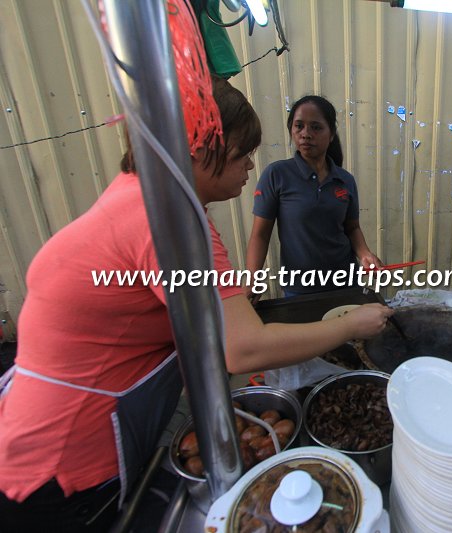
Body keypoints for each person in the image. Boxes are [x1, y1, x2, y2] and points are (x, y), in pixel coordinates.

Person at [0, 79, 393, 533]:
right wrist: (352, 325)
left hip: (39, 437)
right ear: (198, 148)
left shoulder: (140, 196)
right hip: (65, 461)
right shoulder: (171, 223)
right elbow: (243, 351)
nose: (249, 164)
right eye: (242, 151)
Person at [246, 95, 381, 300]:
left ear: (332, 134)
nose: (305, 134)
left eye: (316, 127)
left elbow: (352, 227)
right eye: (298, 126)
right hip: (300, 288)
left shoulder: (345, 180)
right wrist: (253, 278)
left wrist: (364, 254)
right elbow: (260, 235)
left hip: (345, 283)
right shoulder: (276, 175)